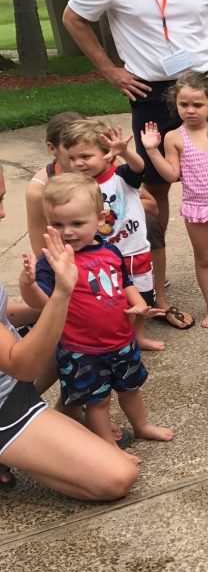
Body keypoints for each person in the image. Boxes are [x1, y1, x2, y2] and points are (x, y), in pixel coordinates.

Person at [62, 0, 208, 329]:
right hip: (148, 90)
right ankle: (154, 278)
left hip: (202, 88)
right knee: (155, 188)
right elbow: (74, 18)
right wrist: (110, 70)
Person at [0, 168, 139, 500]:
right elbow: (21, 366)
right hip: (7, 396)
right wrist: (61, 293)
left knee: (84, 346)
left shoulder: (104, 250)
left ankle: (64, 420)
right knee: (117, 478)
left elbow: (5, 313)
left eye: (2, 199)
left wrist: (89, 309)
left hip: (13, 380)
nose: (3, 212)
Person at [22, 174, 171, 447]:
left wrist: (138, 303)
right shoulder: (53, 262)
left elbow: (124, 282)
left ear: (101, 218)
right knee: (97, 402)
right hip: (82, 350)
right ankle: (109, 446)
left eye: (77, 223)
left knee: (131, 389)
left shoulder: (110, 251)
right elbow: (40, 302)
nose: (67, 232)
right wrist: (28, 283)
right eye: (57, 224)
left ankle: (142, 425)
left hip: (121, 342)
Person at [60, 120, 166, 352]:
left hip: (132, 249)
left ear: (107, 154)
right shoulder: (76, 186)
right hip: (99, 256)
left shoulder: (121, 176)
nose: (78, 163)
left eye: (86, 156)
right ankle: (118, 338)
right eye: (73, 158)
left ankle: (138, 336)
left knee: (141, 298)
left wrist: (126, 151)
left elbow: (139, 168)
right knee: (108, 299)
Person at [141, 71, 208, 328]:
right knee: (204, 257)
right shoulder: (174, 137)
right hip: (197, 207)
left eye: (197, 105)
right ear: (176, 104)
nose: (190, 110)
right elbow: (171, 174)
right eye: (184, 105)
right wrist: (151, 150)